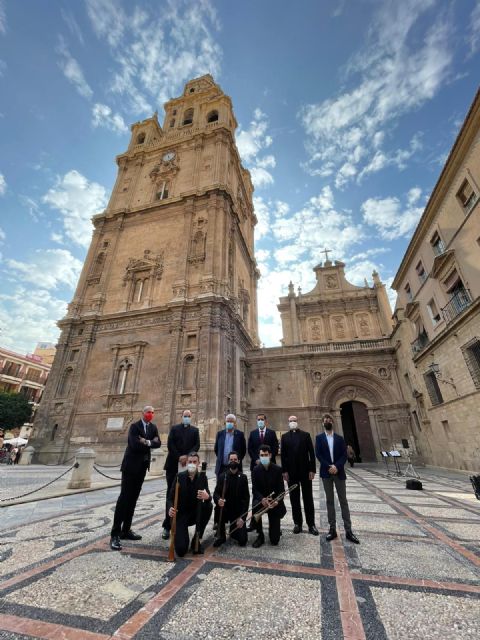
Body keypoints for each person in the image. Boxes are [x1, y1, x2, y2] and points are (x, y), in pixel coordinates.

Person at [110, 406, 161, 551]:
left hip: (142, 468)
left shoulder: (153, 428)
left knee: (133, 499)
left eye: (152, 412)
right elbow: (133, 444)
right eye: (148, 412)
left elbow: (158, 443)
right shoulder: (134, 426)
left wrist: (146, 441)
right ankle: (115, 534)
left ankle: (126, 530)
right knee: (124, 499)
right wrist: (150, 442)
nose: (150, 414)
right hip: (130, 467)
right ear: (142, 413)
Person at [315, 414, 359, 544]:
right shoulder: (319, 438)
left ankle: (348, 530)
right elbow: (318, 454)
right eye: (325, 420)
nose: (327, 421)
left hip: (338, 472)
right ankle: (332, 529)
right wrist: (329, 466)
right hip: (326, 472)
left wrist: (337, 466)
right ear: (322, 423)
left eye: (329, 420)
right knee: (329, 501)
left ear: (332, 422)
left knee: (343, 500)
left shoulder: (340, 438)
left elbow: (344, 455)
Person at [162, 409, 200, 540]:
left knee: (186, 493)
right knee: (170, 494)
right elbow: (170, 444)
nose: (187, 418)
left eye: (189, 416)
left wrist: (188, 457)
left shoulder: (195, 431)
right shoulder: (174, 429)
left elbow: (197, 445)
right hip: (173, 465)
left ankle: (182, 522)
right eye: (185, 416)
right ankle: (167, 525)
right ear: (181, 416)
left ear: (191, 417)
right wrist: (179, 457)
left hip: (188, 465)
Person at [167, 452, 213, 556]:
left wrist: (207, 497)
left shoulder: (202, 477)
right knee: (181, 551)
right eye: (190, 462)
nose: (192, 464)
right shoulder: (179, 476)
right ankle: (179, 534)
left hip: (195, 513)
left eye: (194, 462)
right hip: (181, 514)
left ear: (198, 463)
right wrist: (170, 508)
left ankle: (196, 538)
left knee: (208, 506)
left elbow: (208, 497)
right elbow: (170, 498)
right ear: (187, 463)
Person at [281, 415, 319, 536]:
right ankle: (297, 523)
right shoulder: (284, 437)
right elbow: (283, 456)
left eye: (294, 421)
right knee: (294, 498)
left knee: (308, 498)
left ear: (298, 422)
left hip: (305, 471)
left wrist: (312, 469)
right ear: (288, 422)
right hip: (291, 473)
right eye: (290, 421)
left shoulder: (306, 435)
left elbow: (311, 454)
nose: (292, 422)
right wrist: (284, 471)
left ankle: (311, 524)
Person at [251, 444, 286, 548]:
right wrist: (262, 499)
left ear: (270, 455)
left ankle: (275, 529)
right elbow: (255, 489)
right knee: (255, 504)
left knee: (274, 540)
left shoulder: (277, 469)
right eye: (262, 455)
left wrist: (277, 501)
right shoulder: (255, 470)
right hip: (262, 501)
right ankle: (260, 535)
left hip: (274, 503)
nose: (264, 457)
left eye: (266, 455)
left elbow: (281, 490)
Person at [213, 450, 250, 547]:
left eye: (235, 459)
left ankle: (233, 530)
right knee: (217, 508)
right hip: (225, 510)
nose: (233, 461)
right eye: (231, 459)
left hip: (237, 512)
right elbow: (216, 493)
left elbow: (246, 499)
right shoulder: (222, 476)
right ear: (228, 461)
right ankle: (221, 535)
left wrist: (242, 518)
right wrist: (218, 500)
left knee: (242, 541)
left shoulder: (243, 477)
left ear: (238, 461)